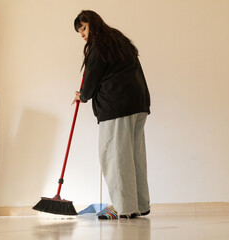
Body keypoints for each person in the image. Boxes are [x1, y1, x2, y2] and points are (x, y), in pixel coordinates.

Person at [72, 10, 151, 220]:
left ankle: (123, 207)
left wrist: (83, 96)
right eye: (79, 31)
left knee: (115, 156)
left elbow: (92, 76)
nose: (82, 34)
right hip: (139, 102)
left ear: (93, 23)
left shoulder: (98, 45)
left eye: (84, 28)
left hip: (116, 106)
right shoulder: (118, 39)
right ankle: (139, 205)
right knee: (134, 156)